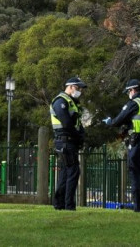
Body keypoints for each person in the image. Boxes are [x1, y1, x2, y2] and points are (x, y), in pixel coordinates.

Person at [103, 79, 140, 212]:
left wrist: (109, 122)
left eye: (128, 92)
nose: (128, 94)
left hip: (137, 143)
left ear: (132, 90)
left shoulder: (134, 103)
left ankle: (139, 208)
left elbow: (117, 121)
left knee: (136, 174)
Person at [49, 77, 87, 211]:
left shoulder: (72, 102)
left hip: (69, 141)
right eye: (78, 88)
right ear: (70, 87)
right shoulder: (61, 101)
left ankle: (60, 204)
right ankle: (68, 205)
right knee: (73, 172)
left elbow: (77, 124)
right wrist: (77, 137)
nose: (80, 91)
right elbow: (66, 123)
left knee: (66, 173)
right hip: (65, 141)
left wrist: (81, 136)